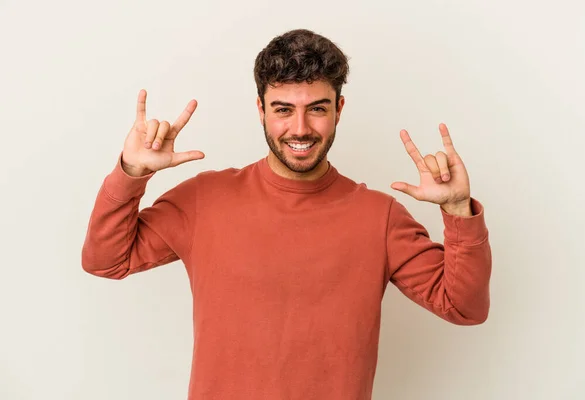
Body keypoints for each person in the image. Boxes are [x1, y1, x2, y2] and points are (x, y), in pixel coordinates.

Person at [82, 28, 492, 400]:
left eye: (317, 108)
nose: (300, 128)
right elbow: (105, 260)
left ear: (339, 109)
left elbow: (464, 307)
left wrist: (458, 210)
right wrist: (131, 172)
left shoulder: (378, 216)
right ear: (260, 109)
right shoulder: (205, 199)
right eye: (282, 110)